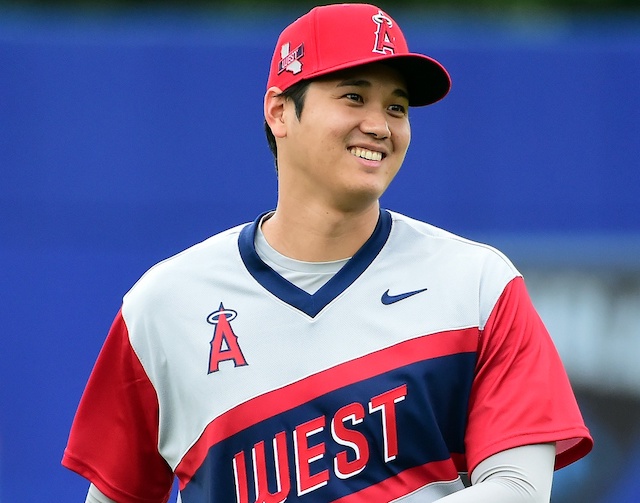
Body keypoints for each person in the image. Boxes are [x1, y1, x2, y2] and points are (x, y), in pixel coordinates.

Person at [62, 3, 593, 503]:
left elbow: (518, 489)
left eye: (397, 106)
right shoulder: (164, 304)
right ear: (279, 112)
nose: (380, 125)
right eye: (353, 96)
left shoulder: (478, 285)